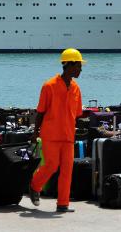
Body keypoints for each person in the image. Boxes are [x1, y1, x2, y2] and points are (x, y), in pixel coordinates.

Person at [29, 48, 85, 212]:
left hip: (68, 135)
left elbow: (78, 114)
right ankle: (34, 185)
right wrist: (35, 133)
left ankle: (63, 204)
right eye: (79, 66)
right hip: (51, 134)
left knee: (67, 169)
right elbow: (40, 112)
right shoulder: (49, 86)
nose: (80, 69)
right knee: (52, 165)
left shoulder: (76, 88)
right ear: (69, 65)